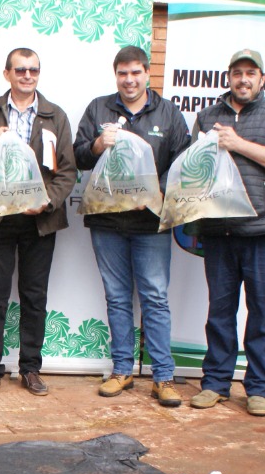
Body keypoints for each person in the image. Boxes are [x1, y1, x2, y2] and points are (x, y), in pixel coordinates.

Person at [74, 46, 190, 408]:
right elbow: (77, 155)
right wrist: (97, 144)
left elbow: (183, 161)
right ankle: (122, 370)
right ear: (116, 75)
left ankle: (162, 377)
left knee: (154, 297)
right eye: (123, 73)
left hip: (150, 224)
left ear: (147, 73)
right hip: (107, 222)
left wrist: (156, 192)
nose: (129, 80)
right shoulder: (98, 109)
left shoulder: (168, 113)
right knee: (117, 297)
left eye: (136, 72)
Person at [189, 49, 265, 417]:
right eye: (237, 73)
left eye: (251, 73)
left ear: (262, 79)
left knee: (262, 312)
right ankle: (215, 383)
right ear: (229, 77)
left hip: (263, 229)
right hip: (219, 230)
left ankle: (259, 388)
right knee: (219, 312)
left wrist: (237, 144)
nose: (243, 79)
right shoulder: (207, 117)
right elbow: (193, 167)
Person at [0, 47, 76, 397]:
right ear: (7, 74)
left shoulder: (55, 115)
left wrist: (46, 202)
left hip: (38, 221)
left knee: (34, 297)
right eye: (21, 70)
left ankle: (30, 368)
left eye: (33, 70)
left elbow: (67, 171)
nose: (28, 76)